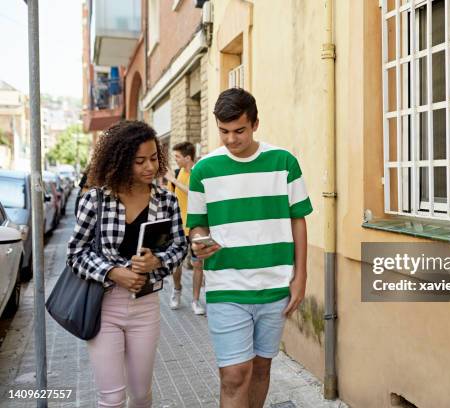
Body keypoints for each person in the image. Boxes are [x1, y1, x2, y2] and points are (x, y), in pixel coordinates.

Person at [187, 88, 312, 408]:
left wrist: (301, 277)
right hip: (225, 285)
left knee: (260, 368)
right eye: (223, 131)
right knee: (234, 374)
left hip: (275, 284)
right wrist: (199, 242)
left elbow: (298, 220)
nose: (231, 139)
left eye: (239, 130)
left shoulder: (283, 162)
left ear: (255, 124)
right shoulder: (203, 170)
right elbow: (197, 224)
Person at [66, 120, 187, 407]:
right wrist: (113, 272)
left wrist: (157, 261)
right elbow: (75, 253)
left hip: (146, 308)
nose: (150, 167)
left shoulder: (166, 201)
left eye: (154, 158)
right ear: (120, 161)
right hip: (103, 306)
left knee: (141, 395)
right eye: (139, 161)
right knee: (112, 398)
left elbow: (179, 246)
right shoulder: (95, 200)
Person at [165, 141, 205, 314]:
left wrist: (173, 180)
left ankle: (196, 301)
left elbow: (194, 192)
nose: (176, 161)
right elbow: (169, 199)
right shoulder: (175, 174)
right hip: (178, 227)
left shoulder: (199, 173)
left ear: (188, 158)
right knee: (176, 264)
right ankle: (177, 289)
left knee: (198, 264)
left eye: (178, 157)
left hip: (197, 227)